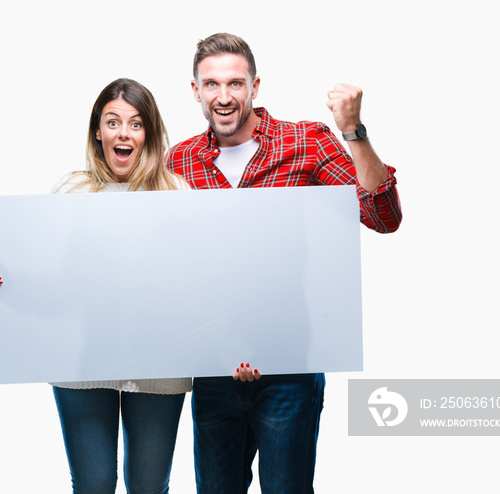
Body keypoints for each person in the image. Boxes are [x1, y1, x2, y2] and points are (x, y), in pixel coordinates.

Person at [165, 33, 402, 494]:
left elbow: (382, 215)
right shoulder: (180, 161)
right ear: (195, 91)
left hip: (289, 368)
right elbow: (165, 266)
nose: (224, 96)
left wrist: (353, 131)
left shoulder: (306, 141)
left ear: (255, 86)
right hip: (214, 369)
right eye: (211, 85)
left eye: (236, 83)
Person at [0, 78, 192, 494]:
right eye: (113, 122)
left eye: (135, 123)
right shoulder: (72, 190)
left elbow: (194, 284)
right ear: (98, 130)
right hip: (83, 364)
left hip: (159, 367)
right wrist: (3, 283)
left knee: (149, 486)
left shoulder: (177, 192)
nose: (123, 133)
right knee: (93, 484)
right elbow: (48, 280)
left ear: (148, 131)